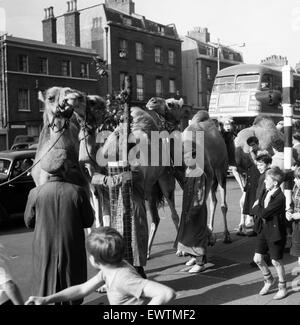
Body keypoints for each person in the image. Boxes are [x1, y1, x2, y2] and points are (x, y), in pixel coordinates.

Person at [25, 227, 176, 306]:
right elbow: (82, 289)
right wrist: (46, 299)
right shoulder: (110, 269)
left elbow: (166, 293)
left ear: (93, 260)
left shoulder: (123, 278)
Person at [24, 149, 95, 305]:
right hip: (71, 249)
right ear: (65, 169)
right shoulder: (78, 192)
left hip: (44, 249)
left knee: (45, 290)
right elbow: (89, 221)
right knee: (72, 289)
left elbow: (28, 222)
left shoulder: (35, 193)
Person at [92, 167, 148, 279]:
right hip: (122, 215)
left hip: (134, 216)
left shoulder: (133, 173)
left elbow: (114, 180)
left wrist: (102, 178)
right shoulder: (126, 173)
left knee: (134, 253)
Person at [252, 167, 288, 300]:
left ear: (275, 183)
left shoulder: (280, 198)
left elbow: (262, 212)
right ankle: (269, 280)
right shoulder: (265, 191)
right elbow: (259, 206)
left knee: (276, 261)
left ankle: (282, 287)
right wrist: (258, 207)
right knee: (257, 259)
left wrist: (256, 207)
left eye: (267, 180)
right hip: (263, 229)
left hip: (275, 232)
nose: (265, 182)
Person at [286, 167, 300, 271]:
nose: (294, 180)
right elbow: (292, 203)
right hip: (297, 225)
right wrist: (289, 211)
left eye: (297, 178)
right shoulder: (296, 187)